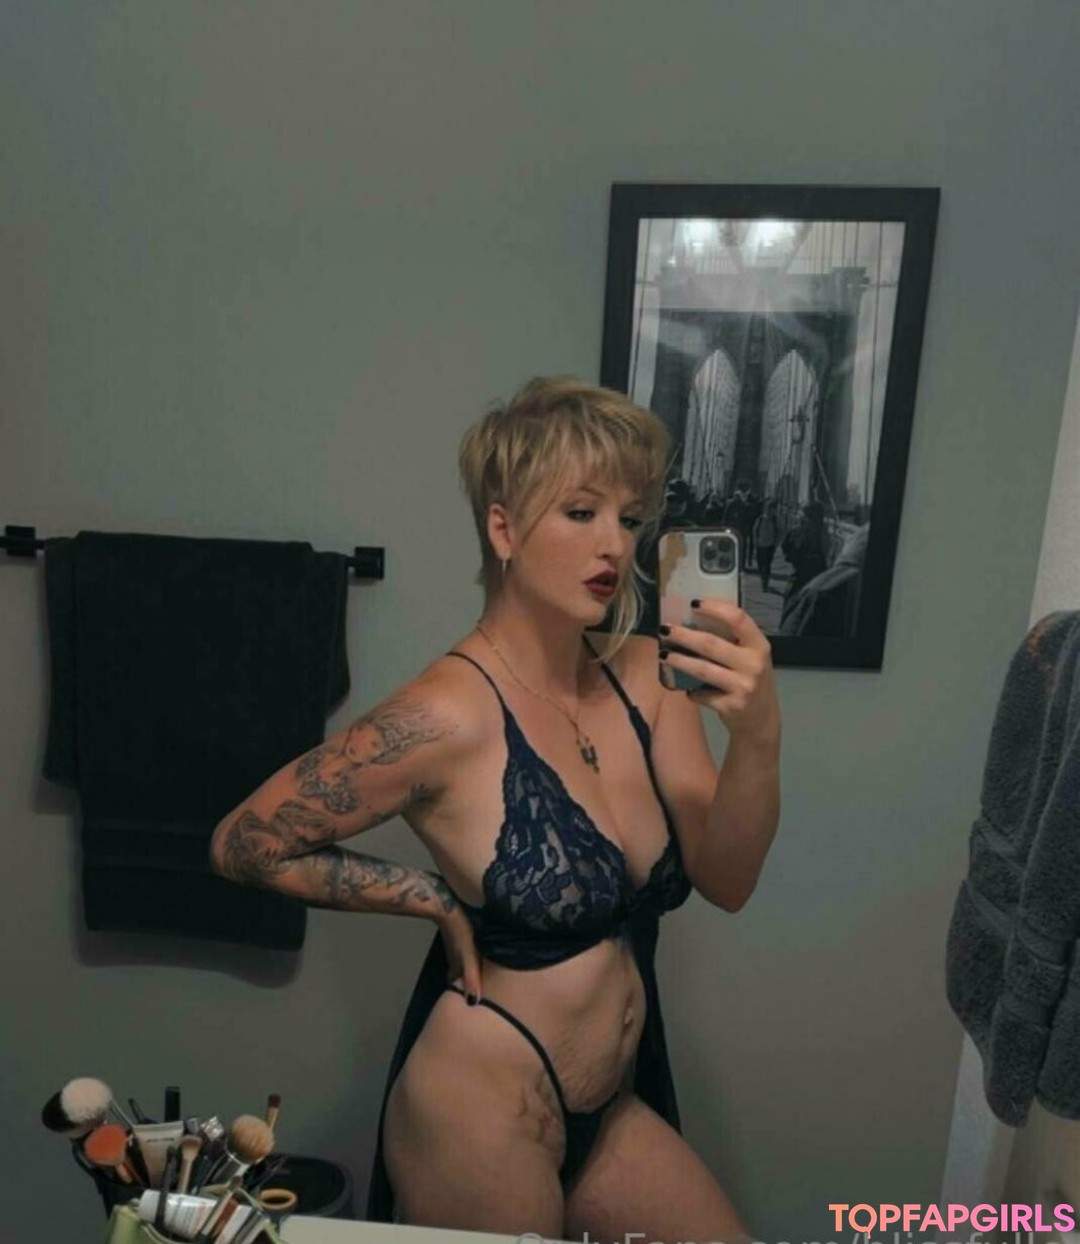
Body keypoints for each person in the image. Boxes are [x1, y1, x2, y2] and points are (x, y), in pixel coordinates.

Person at [209, 377, 781, 1243]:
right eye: (581, 512)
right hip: (477, 1114)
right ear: (504, 529)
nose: (614, 544)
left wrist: (759, 736)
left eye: (629, 518)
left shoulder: (647, 678)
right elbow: (243, 843)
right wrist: (427, 896)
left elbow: (728, 880)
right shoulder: (447, 714)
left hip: (605, 1110)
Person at [752, 500, 780, 592]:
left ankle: (765, 583)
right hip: (760, 544)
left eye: (773, 509)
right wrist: (755, 542)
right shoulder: (760, 519)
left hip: (770, 545)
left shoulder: (775, 520)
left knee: (767, 564)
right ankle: (762, 577)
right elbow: (755, 530)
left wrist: (776, 543)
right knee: (760, 564)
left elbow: (779, 532)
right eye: (769, 509)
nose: (771, 511)